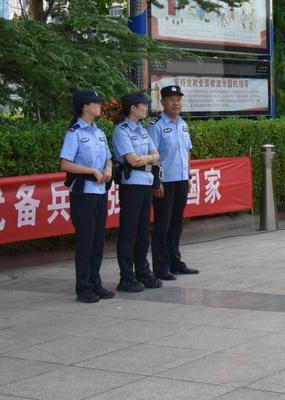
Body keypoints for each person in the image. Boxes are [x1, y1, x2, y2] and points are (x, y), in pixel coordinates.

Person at [59, 89, 114, 303]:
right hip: (83, 194)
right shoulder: (75, 133)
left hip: (100, 192)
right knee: (86, 240)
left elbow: (108, 158)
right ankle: (83, 286)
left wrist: (108, 169)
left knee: (98, 240)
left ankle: (95, 282)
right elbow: (65, 163)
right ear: (85, 106)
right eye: (96, 103)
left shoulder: (99, 133)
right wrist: (91, 171)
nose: (100, 105)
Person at [112, 92, 162, 293]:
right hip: (131, 184)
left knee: (143, 231)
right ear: (133, 107)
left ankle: (143, 271)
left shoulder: (142, 130)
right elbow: (132, 160)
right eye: (144, 104)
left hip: (146, 182)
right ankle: (126, 276)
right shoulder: (121, 131)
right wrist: (149, 157)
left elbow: (156, 155)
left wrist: (147, 158)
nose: (146, 108)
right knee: (129, 231)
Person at [149, 85, 199, 280]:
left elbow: (187, 151)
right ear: (162, 102)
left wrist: (188, 176)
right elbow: (151, 155)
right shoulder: (156, 125)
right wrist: (156, 182)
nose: (176, 103)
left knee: (177, 224)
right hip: (164, 182)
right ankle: (161, 267)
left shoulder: (183, 124)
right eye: (171, 99)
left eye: (178, 99)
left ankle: (175, 262)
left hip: (180, 180)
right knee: (163, 224)